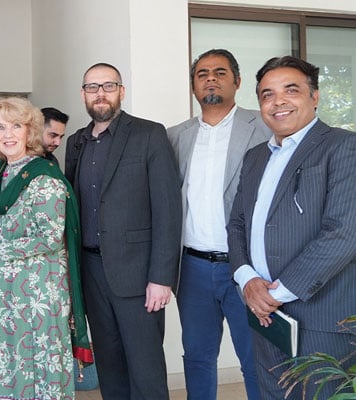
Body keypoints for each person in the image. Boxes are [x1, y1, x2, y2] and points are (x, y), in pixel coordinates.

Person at [227, 56, 356, 400]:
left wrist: (275, 293)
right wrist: (246, 279)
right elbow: (238, 223)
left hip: (321, 317)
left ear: (314, 96)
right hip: (264, 314)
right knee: (271, 394)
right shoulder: (255, 156)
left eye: (291, 90)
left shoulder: (343, 147)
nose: (277, 101)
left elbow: (343, 234)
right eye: (267, 94)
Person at [0, 96, 92, 400]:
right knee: (11, 364)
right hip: (7, 292)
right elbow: (11, 225)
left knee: (38, 370)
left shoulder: (44, 177)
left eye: (16, 126)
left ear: (29, 130)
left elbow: (49, 237)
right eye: (0, 127)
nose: (7, 134)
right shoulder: (4, 173)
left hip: (38, 294)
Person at [64, 63, 182, 400]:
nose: (100, 93)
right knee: (110, 364)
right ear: (83, 94)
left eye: (108, 85)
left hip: (138, 273)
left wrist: (161, 277)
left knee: (145, 368)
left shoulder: (149, 134)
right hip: (91, 271)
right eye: (92, 87)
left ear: (121, 91)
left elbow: (168, 210)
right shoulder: (76, 142)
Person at [167, 49, 270, 400]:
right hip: (193, 268)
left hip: (248, 268)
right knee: (197, 357)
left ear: (237, 81)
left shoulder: (265, 127)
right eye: (202, 73)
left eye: (220, 72)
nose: (210, 78)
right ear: (193, 85)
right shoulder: (175, 136)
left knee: (256, 359)